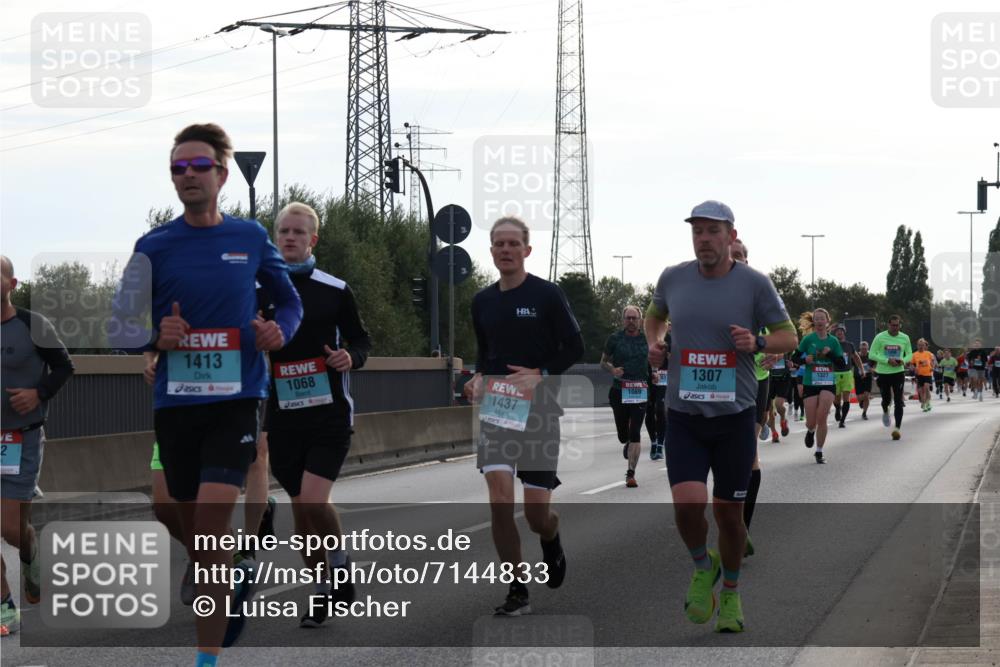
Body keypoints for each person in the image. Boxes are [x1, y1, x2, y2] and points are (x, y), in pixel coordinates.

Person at [111, 123, 303, 666]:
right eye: (178, 168)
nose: (188, 175)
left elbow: (288, 304)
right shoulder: (154, 246)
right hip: (176, 404)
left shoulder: (248, 237)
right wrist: (154, 337)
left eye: (199, 166)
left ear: (221, 173)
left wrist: (279, 331)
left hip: (236, 400)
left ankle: (206, 658)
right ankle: (227, 570)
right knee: (172, 510)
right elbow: (118, 326)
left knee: (213, 522)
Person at [645, 201, 796, 633]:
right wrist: (655, 343)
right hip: (685, 416)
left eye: (713, 231)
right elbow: (656, 316)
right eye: (698, 231)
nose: (704, 239)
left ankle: (730, 592)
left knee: (729, 515)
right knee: (688, 506)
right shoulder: (673, 278)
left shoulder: (754, 284)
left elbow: (789, 336)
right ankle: (701, 564)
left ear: (731, 236)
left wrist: (758, 341)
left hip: (734, 418)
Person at [254, 202, 372, 627]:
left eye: (298, 232)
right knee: (304, 511)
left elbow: (361, 341)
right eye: (283, 231)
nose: (290, 237)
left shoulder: (334, 289)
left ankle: (332, 578)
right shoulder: (259, 291)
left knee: (312, 499)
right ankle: (325, 582)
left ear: (312, 240)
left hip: (330, 414)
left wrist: (349, 358)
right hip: (284, 417)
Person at [464, 216, 584, 616]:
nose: (505, 250)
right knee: (499, 500)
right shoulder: (482, 301)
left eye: (513, 243)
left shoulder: (548, 295)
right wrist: (477, 378)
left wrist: (541, 374)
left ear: (527, 250)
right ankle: (517, 587)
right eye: (498, 243)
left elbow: (574, 347)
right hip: (498, 410)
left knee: (535, 514)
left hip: (540, 410)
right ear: (492, 250)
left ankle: (551, 537)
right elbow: (485, 354)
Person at [0, 255, 75, 637]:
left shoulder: (33, 324)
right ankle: (4, 607)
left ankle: (30, 555)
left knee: (12, 529)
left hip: (21, 437)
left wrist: (37, 393)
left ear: (12, 284)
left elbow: (64, 366)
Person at [602, 306, 650, 487]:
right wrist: (612, 369)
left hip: (640, 390)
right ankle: (627, 440)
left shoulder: (647, 339)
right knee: (624, 436)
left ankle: (631, 473)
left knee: (635, 431)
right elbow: (603, 361)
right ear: (623, 320)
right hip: (619, 390)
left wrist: (653, 373)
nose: (631, 321)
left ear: (640, 320)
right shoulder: (615, 339)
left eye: (634, 318)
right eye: (628, 318)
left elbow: (655, 359)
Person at [793, 309, 846, 463]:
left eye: (822, 319)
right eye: (817, 319)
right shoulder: (808, 339)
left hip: (827, 382)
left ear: (827, 321)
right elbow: (795, 357)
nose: (820, 321)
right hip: (810, 382)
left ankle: (819, 451)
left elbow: (842, 364)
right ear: (814, 322)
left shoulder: (833, 341)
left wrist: (830, 354)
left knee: (822, 417)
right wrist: (805, 361)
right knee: (811, 421)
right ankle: (810, 430)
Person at [868, 315, 913, 441]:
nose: (895, 327)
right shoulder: (880, 337)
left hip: (898, 372)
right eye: (892, 325)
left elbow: (910, 354)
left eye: (897, 325)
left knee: (898, 401)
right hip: (883, 373)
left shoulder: (905, 338)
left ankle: (897, 429)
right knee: (886, 400)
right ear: (888, 325)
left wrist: (902, 360)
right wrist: (887, 360)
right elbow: (872, 354)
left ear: (900, 325)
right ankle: (885, 411)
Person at [645, 320, 671, 462]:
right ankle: (653, 442)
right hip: (647, 378)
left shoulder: (670, 338)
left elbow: (675, 359)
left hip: (664, 379)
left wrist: (666, 353)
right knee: (648, 411)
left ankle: (660, 445)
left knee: (660, 410)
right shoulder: (646, 338)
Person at [831, 324, 865, 428]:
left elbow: (856, 357)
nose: (839, 332)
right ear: (835, 333)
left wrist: (861, 369)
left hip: (847, 373)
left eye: (841, 331)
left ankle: (842, 420)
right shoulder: (832, 344)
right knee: (836, 399)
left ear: (844, 332)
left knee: (846, 398)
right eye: (837, 331)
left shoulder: (849, 345)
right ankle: (837, 408)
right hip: (834, 373)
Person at [910, 338, 936, 412]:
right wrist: (913, 368)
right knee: (921, 390)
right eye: (919, 345)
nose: (921, 346)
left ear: (925, 346)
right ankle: (924, 403)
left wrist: (932, 367)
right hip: (919, 374)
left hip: (927, 373)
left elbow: (933, 361)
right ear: (917, 346)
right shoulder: (914, 354)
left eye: (922, 345)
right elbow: (911, 364)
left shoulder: (928, 353)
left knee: (926, 388)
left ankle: (927, 403)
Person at [854, 341, 874, 418]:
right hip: (858, 377)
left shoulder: (871, 356)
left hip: (868, 377)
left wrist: (873, 369)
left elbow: (876, 363)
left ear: (868, 348)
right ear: (860, 348)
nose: (864, 350)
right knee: (859, 397)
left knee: (866, 395)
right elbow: (850, 364)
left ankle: (864, 413)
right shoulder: (856, 356)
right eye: (862, 349)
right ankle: (861, 401)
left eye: (865, 349)